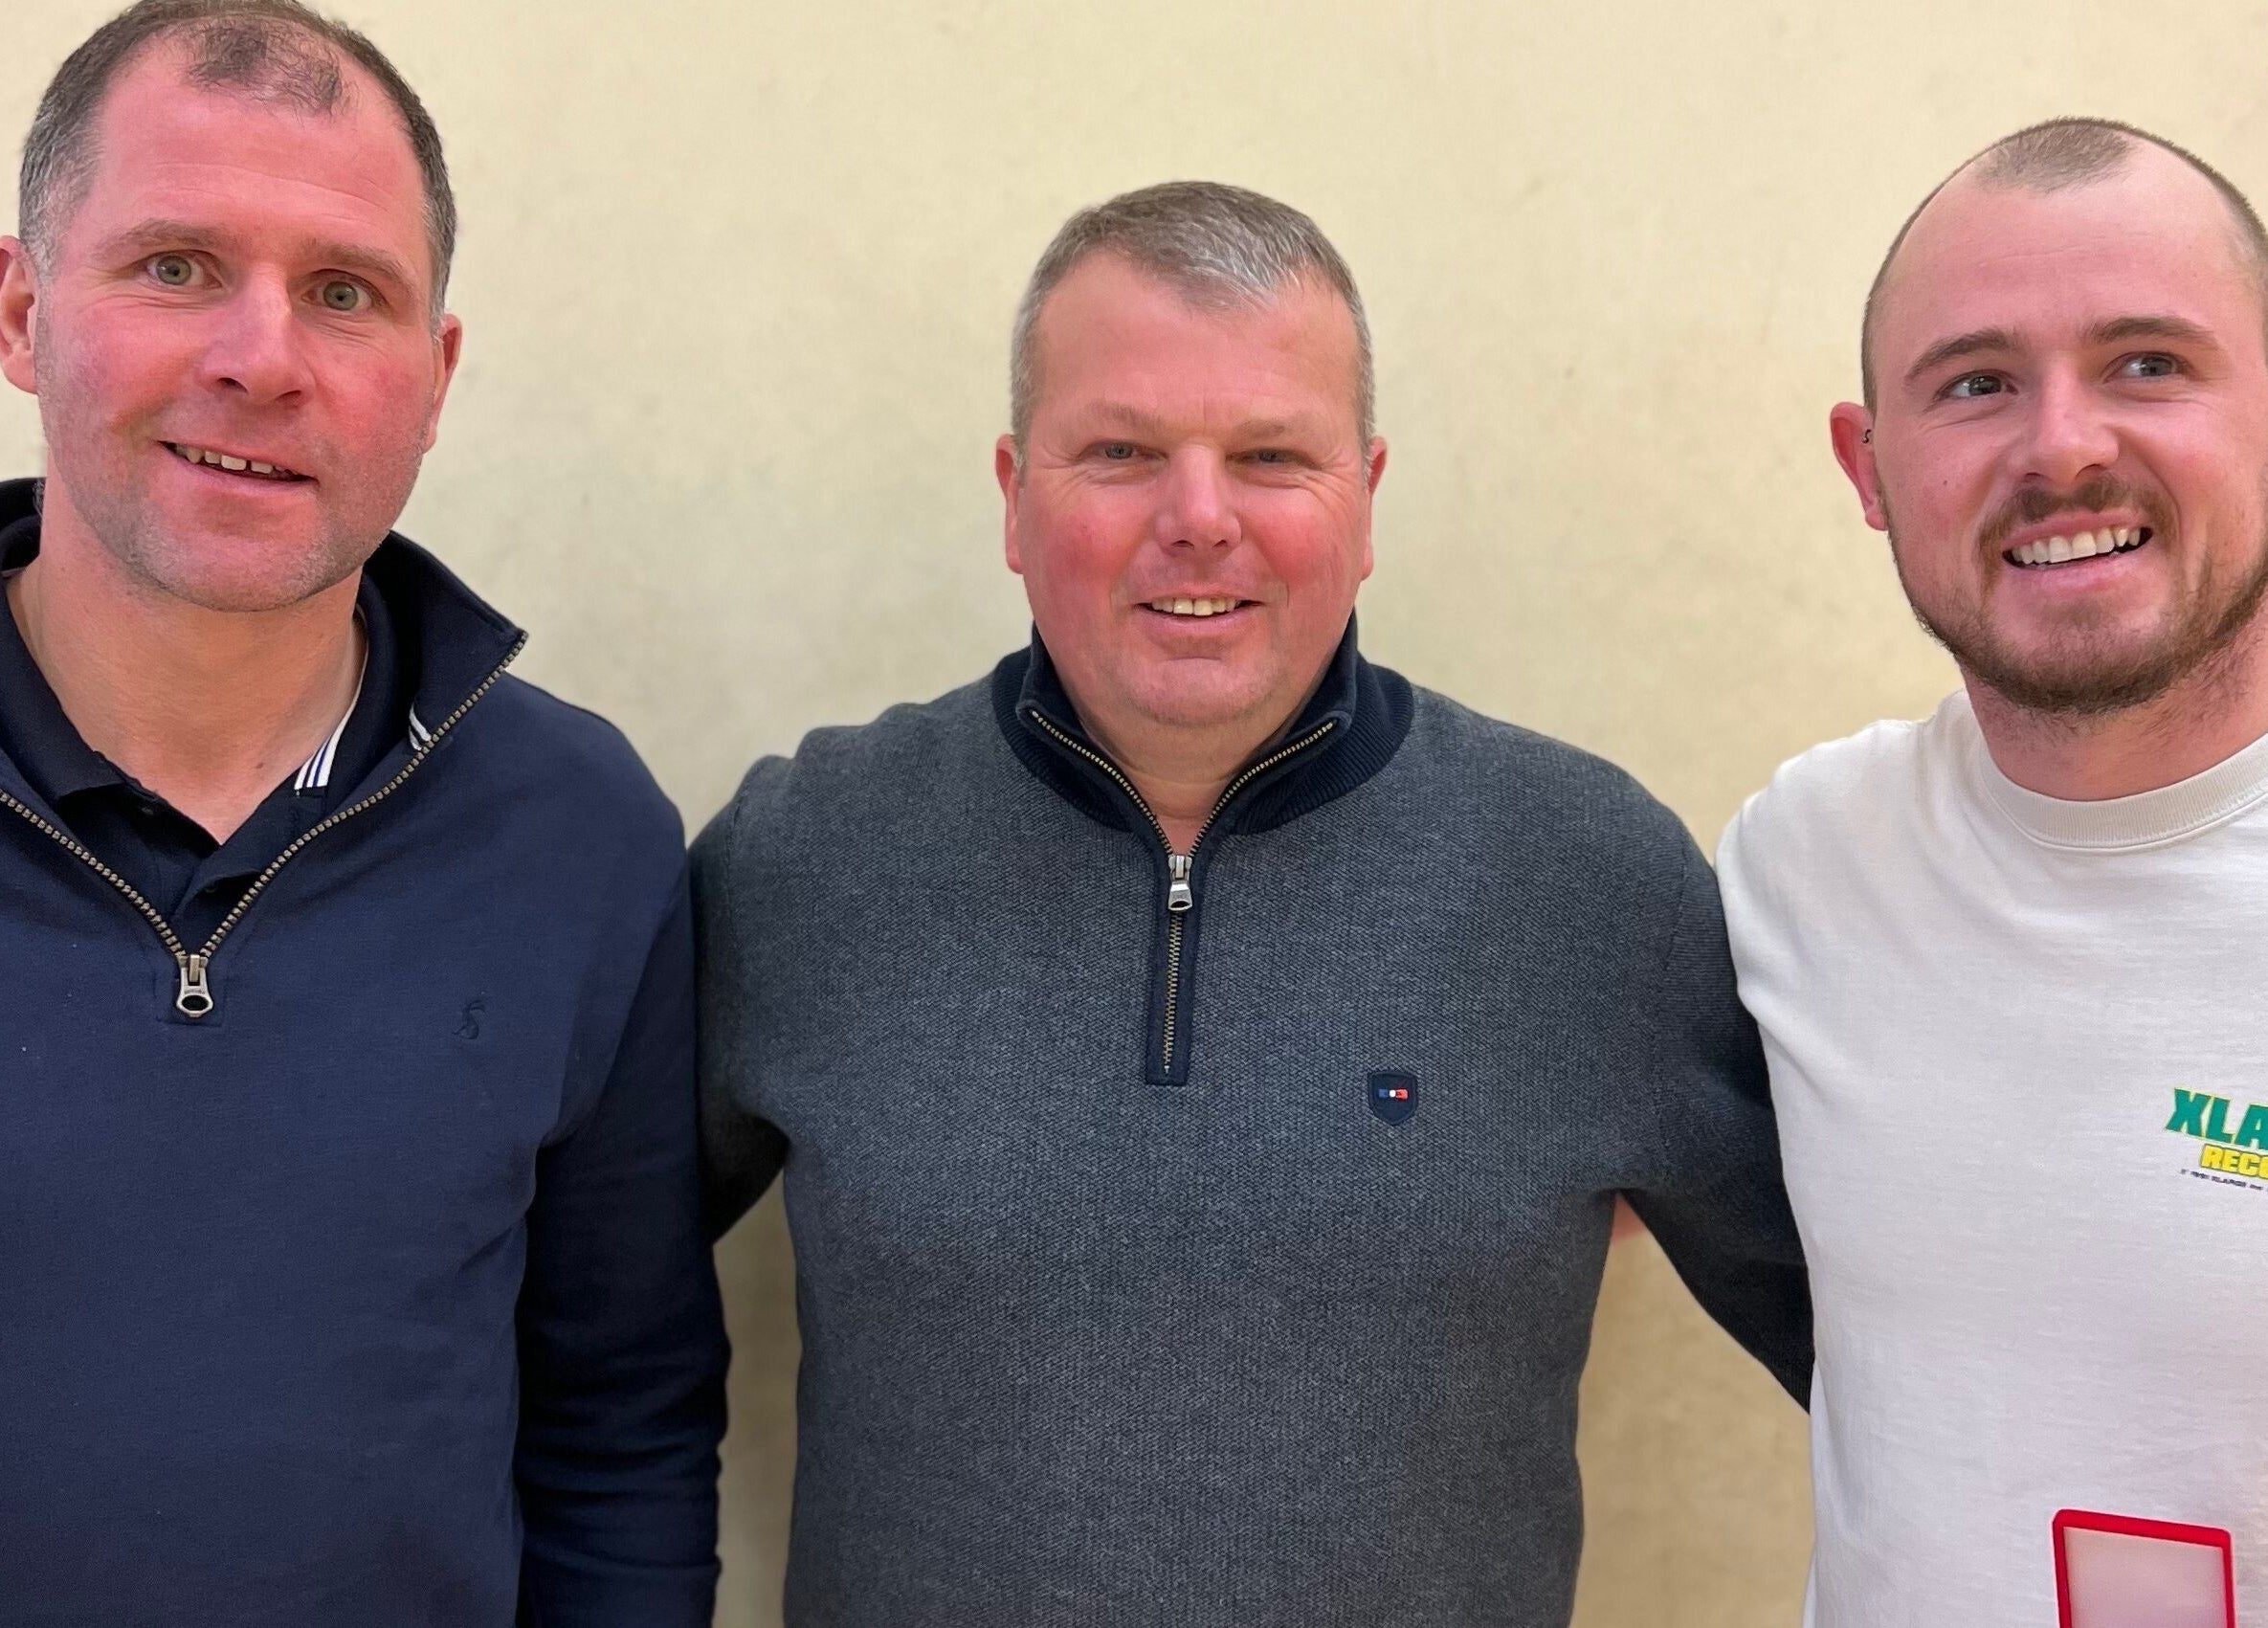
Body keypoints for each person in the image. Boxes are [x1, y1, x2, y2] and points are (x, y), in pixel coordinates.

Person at [698, 179, 1809, 1627]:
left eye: (1272, 456)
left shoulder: (1589, 880)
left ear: (1364, 499)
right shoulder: (804, 858)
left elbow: (1892, 1350)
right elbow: (567, 1315)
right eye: (1120, 451)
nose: (1199, 519)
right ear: (1013, 496)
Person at [0, 4, 725, 1623]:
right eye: (176, 264)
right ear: (22, 310)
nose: (262, 358)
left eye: (345, 292)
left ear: (435, 374)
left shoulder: (577, 834)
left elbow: (620, 1427)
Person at [1719, 119, 2268, 1622]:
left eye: (2148, 363)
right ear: (1869, 464)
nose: (2062, 447)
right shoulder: (1800, 861)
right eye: (1974, 385)